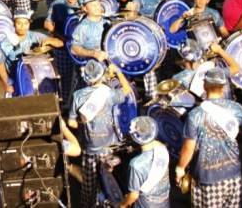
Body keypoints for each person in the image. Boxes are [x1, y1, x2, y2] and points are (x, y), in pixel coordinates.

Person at [176, 68, 242, 207]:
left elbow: (188, 148)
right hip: (233, 175)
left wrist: (180, 168)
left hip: (207, 178)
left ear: (205, 85)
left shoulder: (195, 114)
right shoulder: (237, 108)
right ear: (223, 86)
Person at [68, 59, 132, 207]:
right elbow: (127, 90)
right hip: (109, 147)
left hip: (90, 148)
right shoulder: (108, 93)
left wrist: (81, 121)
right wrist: (118, 72)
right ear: (101, 75)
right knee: (111, 186)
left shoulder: (77, 95)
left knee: (89, 189)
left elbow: (71, 123)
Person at [120, 116, 171, 208]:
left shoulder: (136, 164)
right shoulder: (163, 148)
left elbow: (134, 196)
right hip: (164, 201)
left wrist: (122, 205)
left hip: (146, 204)